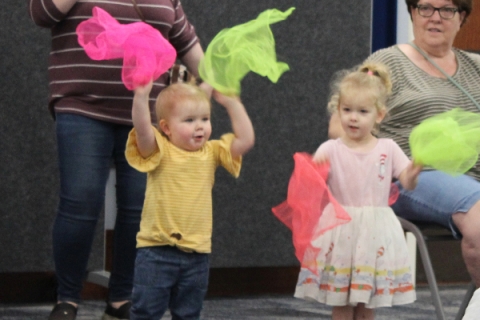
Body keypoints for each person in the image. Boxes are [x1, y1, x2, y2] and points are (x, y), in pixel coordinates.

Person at [28, 1, 209, 319]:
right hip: (81, 105)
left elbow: (196, 55)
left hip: (146, 117)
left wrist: (200, 96)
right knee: (80, 199)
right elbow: (43, 14)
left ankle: (121, 299)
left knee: (139, 208)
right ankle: (68, 299)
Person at [330, 0, 480, 289]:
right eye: (426, 8)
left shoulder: (476, 67)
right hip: (417, 174)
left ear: (462, 17)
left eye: (447, 10)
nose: (435, 18)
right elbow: (339, 126)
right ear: (412, 12)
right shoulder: (387, 64)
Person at [294, 62, 423, 320]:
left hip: (375, 232)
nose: (353, 117)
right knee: (341, 303)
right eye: (347, 110)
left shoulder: (387, 147)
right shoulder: (330, 149)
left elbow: (407, 181)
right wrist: (309, 171)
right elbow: (312, 185)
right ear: (337, 110)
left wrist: (415, 169)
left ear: (379, 115)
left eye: (362, 111)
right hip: (341, 232)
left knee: (367, 303)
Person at [125, 79, 254, 319]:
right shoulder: (159, 149)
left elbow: (245, 140)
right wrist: (141, 97)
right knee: (145, 312)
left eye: (205, 119)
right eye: (189, 120)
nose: (200, 127)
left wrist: (232, 103)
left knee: (188, 314)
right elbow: (142, 128)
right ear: (166, 128)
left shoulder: (213, 152)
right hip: (156, 251)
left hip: (197, 254)